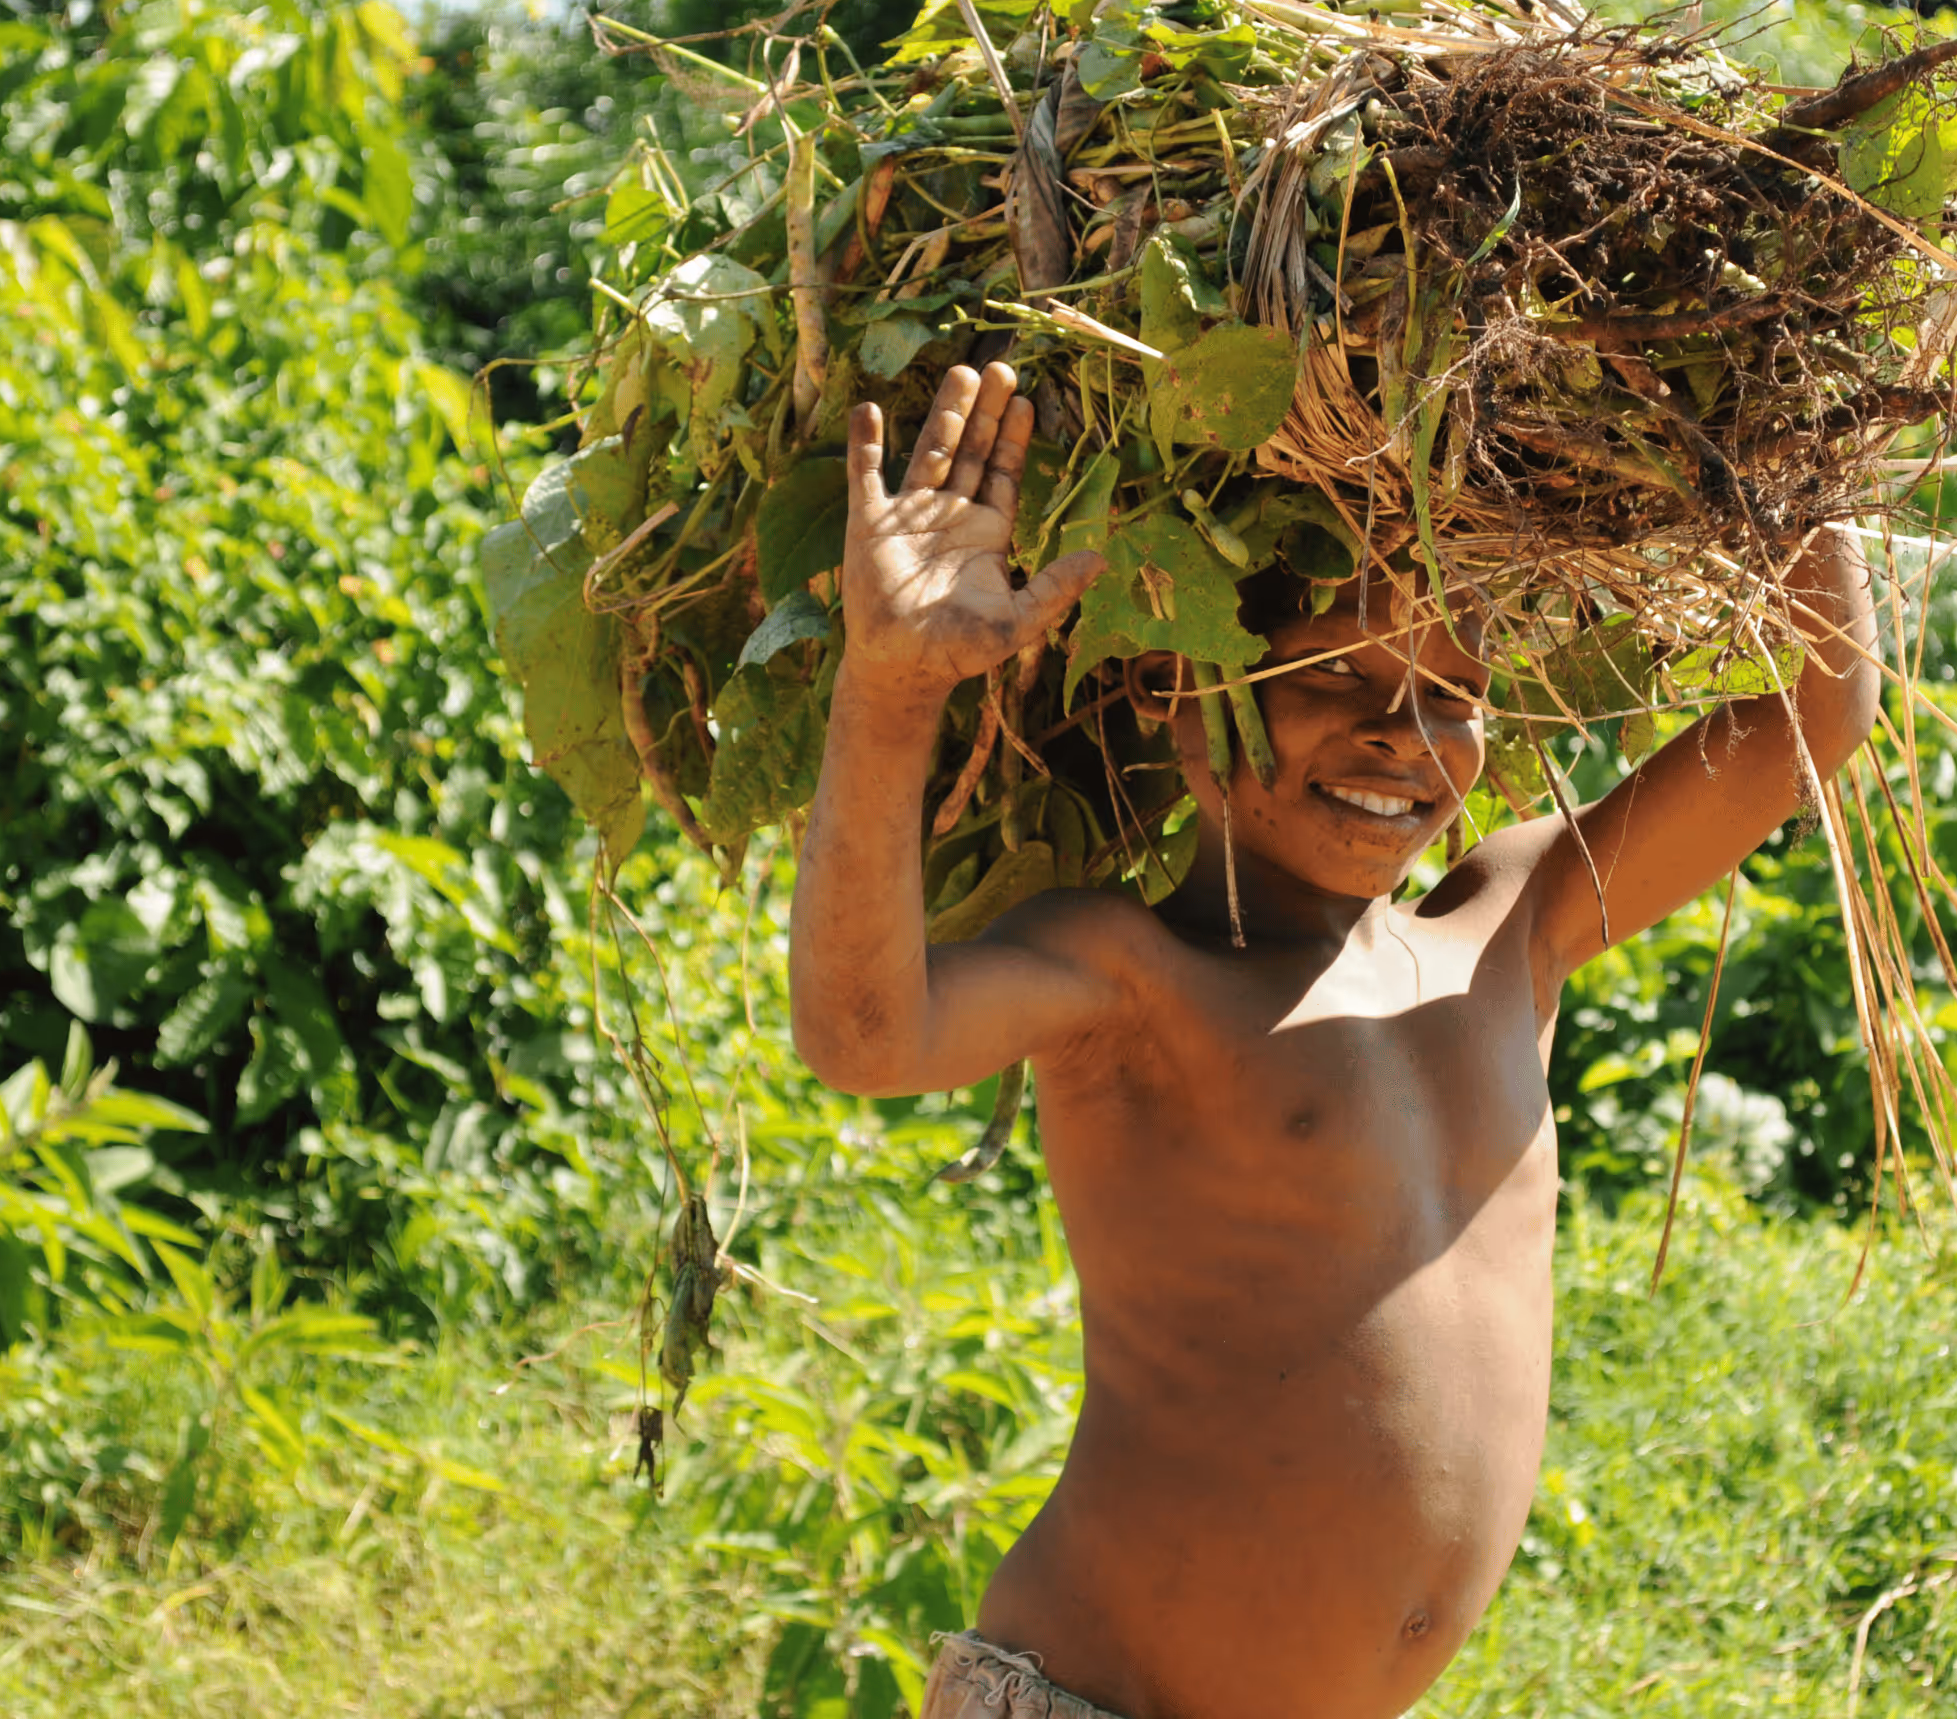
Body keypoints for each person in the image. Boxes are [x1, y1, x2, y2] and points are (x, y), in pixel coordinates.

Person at [792, 360, 1880, 1719]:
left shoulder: (1508, 931)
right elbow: (864, 1036)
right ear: (1174, 685)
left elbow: (1815, 717)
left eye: (1453, 693)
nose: (1401, 737)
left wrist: (1799, 425)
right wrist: (892, 689)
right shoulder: (1137, 979)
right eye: (1341, 675)